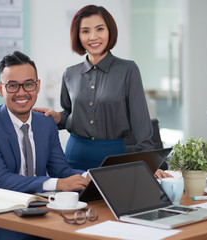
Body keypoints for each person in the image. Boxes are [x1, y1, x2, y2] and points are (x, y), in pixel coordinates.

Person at [0, 51, 89, 240]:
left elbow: (60, 169)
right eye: (12, 86)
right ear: (0, 89)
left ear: (37, 86)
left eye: (28, 84)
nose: (21, 92)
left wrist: (87, 177)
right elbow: (0, 181)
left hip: (39, 210)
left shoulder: (46, 123)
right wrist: (58, 184)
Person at [34, 5, 168, 178]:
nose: (93, 37)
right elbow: (70, 114)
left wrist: (149, 164)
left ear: (109, 31)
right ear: (78, 36)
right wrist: (58, 117)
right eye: (85, 31)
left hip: (113, 158)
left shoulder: (128, 69)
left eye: (99, 29)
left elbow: (141, 121)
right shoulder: (70, 73)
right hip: (75, 158)